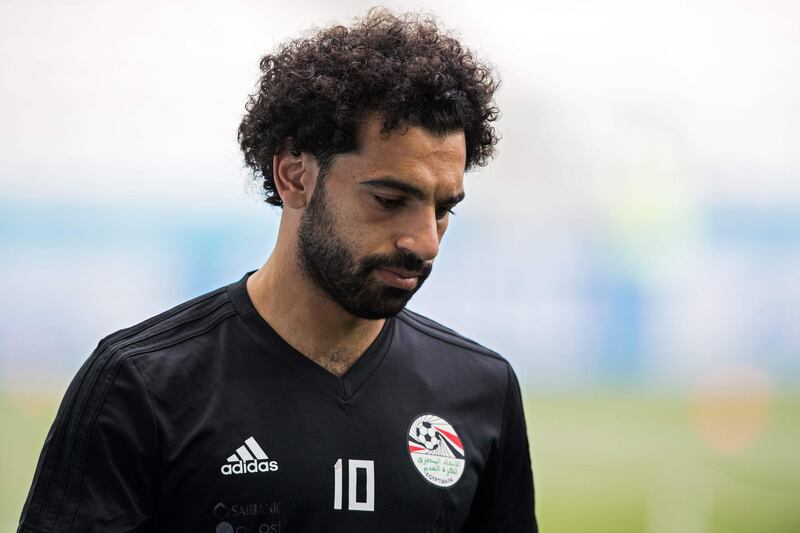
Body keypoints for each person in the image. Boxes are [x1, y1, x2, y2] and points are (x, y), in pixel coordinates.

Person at [18, 8, 537, 532]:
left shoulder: (484, 389)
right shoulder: (139, 386)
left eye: (444, 208)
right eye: (388, 199)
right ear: (294, 176)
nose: (425, 241)